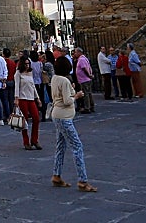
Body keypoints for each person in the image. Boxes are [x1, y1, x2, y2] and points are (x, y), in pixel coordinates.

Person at [50, 54, 97, 193]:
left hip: (57, 115)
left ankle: (56, 175)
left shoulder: (55, 78)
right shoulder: (64, 80)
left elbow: (61, 94)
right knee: (77, 146)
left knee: (61, 146)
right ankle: (83, 180)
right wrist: (76, 95)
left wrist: (71, 89)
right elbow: (67, 101)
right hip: (64, 117)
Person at [15, 55, 41, 150]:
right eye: (26, 64)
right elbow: (17, 86)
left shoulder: (30, 73)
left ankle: (34, 140)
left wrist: (37, 98)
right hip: (22, 98)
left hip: (31, 98)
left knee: (36, 118)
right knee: (24, 121)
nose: (27, 65)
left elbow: (33, 86)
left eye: (28, 64)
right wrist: (16, 98)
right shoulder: (18, 73)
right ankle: (26, 141)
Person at [73, 48, 94, 114]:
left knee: (86, 94)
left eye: (76, 52)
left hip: (84, 79)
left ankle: (87, 108)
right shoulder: (84, 58)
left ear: (79, 52)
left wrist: (89, 75)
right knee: (88, 93)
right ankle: (91, 106)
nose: (75, 54)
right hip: (85, 79)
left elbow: (84, 68)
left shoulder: (81, 59)